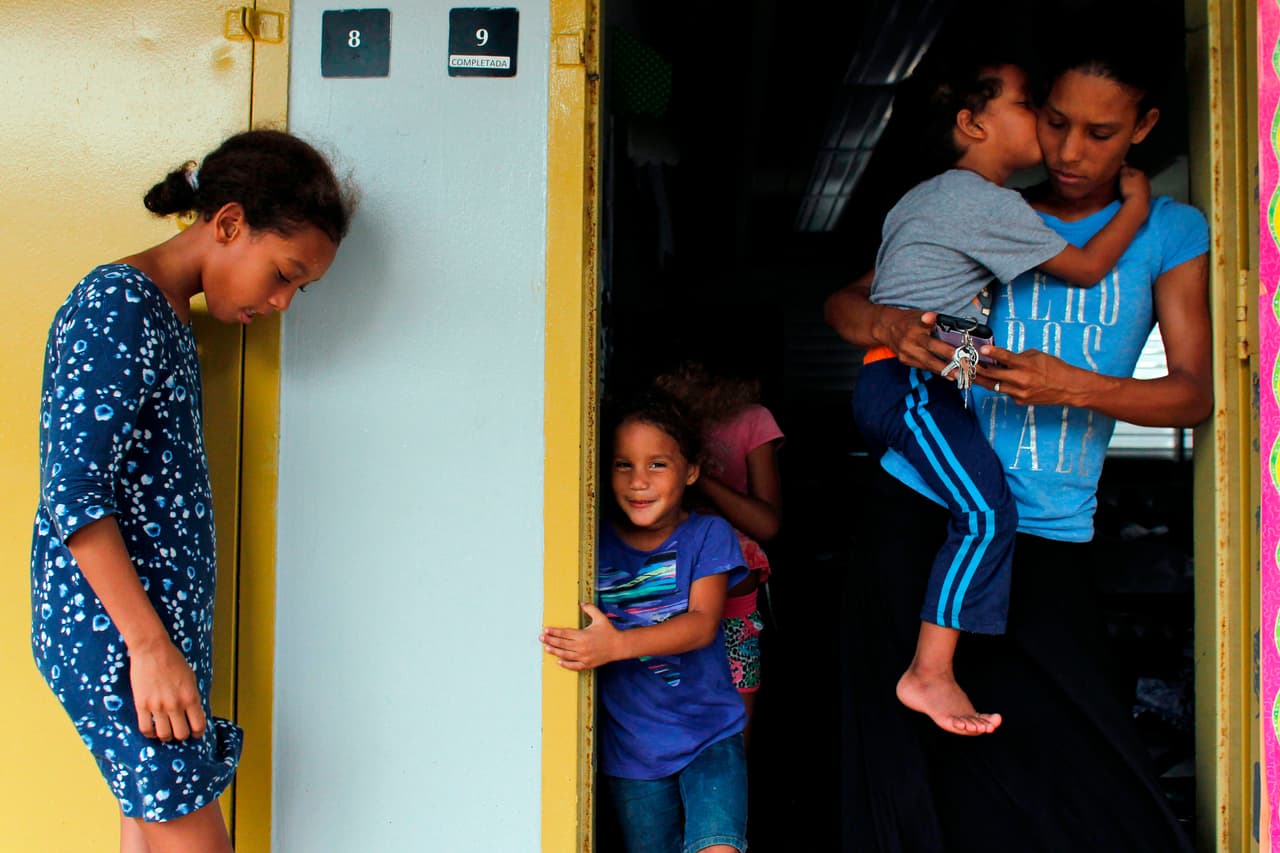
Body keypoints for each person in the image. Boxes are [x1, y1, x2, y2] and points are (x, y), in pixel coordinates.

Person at [824, 36, 1208, 853]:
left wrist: (1073, 386)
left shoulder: (1168, 230)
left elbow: (1194, 394)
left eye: (1100, 133)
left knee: (1095, 798)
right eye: (1052, 119)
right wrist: (890, 326)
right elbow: (845, 306)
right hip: (920, 523)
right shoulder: (983, 204)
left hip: (1049, 535)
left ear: (1144, 126)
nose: (1069, 151)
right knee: (918, 794)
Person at [30, 129, 354, 853]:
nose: (281, 302)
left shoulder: (169, 317)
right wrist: (148, 647)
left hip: (144, 638)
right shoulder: (119, 304)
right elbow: (73, 487)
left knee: (148, 837)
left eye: (299, 288)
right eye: (283, 273)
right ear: (230, 223)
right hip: (118, 636)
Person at [856, 57, 1151, 737]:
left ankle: (932, 663)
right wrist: (1135, 205)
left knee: (976, 506)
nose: (1043, 119)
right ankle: (929, 670)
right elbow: (1086, 267)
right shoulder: (982, 200)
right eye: (1027, 104)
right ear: (973, 123)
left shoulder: (923, 198)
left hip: (906, 382)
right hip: (912, 387)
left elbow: (918, 305)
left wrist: (990, 361)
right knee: (989, 513)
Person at [540, 390, 749, 853]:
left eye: (657, 464)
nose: (639, 482)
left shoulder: (707, 534)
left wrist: (614, 646)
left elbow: (701, 625)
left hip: (709, 737)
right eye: (622, 465)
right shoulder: (589, 542)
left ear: (691, 471)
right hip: (632, 753)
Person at [657, 361, 783, 741]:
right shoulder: (663, 413)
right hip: (667, 564)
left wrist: (697, 479)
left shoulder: (751, 418)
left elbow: (768, 524)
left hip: (734, 576)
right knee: (666, 699)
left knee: (730, 717)